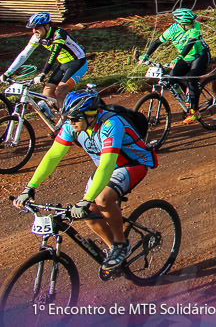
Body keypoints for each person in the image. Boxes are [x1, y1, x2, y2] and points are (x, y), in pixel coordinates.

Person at [12, 89, 156, 270]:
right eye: (68, 118)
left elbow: (107, 166)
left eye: (74, 118)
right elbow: (52, 156)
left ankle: (121, 244)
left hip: (133, 163)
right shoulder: (71, 126)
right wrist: (30, 187)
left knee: (101, 199)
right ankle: (113, 248)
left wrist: (87, 199)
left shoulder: (111, 124)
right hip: (108, 166)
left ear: (90, 116)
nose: (70, 122)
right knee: (88, 213)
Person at [2, 12, 88, 115]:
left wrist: (43, 73)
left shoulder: (59, 34)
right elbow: (24, 54)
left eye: (37, 27)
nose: (34, 31)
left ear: (47, 26)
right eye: (32, 28)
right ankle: (62, 117)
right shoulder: (37, 37)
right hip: (63, 64)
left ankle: (67, 126)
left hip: (78, 62)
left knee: (60, 92)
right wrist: (8, 72)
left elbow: (53, 54)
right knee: (47, 93)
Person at [140, 8, 209, 124]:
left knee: (191, 80)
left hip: (200, 56)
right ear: (180, 23)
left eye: (192, 21)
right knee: (171, 79)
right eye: (189, 23)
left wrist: (179, 57)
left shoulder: (195, 26)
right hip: (186, 57)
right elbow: (157, 42)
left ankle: (195, 112)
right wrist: (146, 55)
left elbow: (189, 44)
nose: (192, 23)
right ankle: (188, 96)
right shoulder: (172, 30)